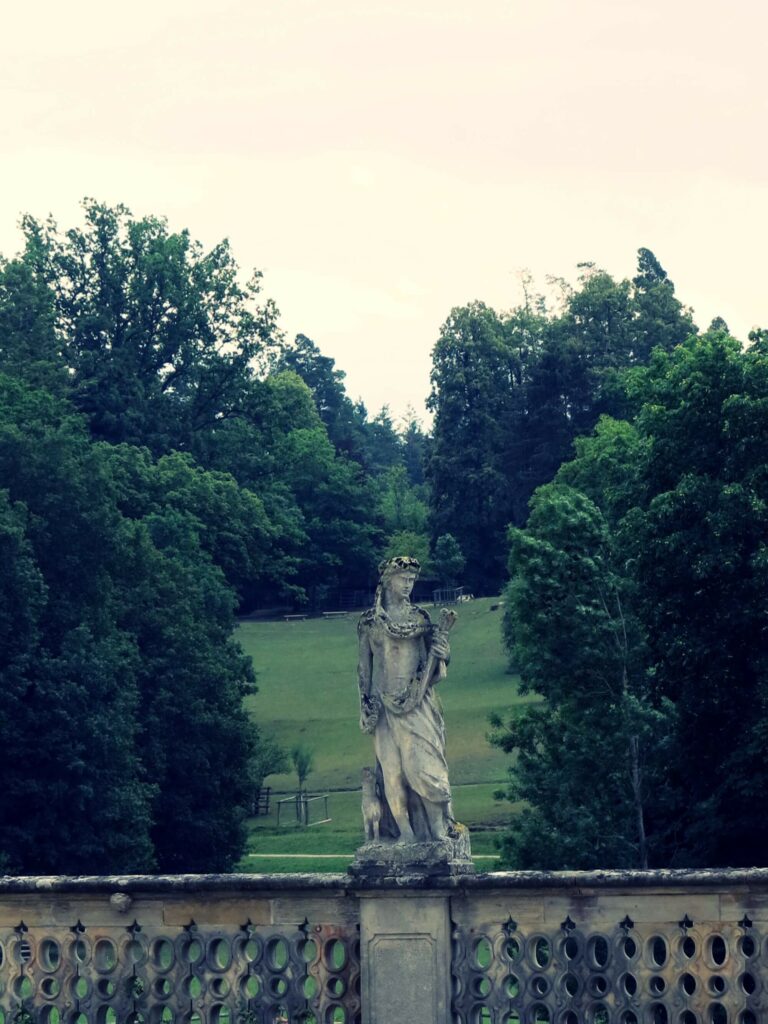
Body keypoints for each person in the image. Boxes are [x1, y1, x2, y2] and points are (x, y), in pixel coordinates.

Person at [357, 556, 456, 842]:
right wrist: (364, 705)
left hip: (417, 705)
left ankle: (437, 829)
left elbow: (436, 671)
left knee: (424, 767)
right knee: (392, 772)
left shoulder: (420, 620)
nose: (408, 585)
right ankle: (406, 835)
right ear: (388, 580)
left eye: (412, 581)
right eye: (403, 579)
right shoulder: (369, 623)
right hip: (382, 708)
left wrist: (443, 651)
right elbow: (364, 669)